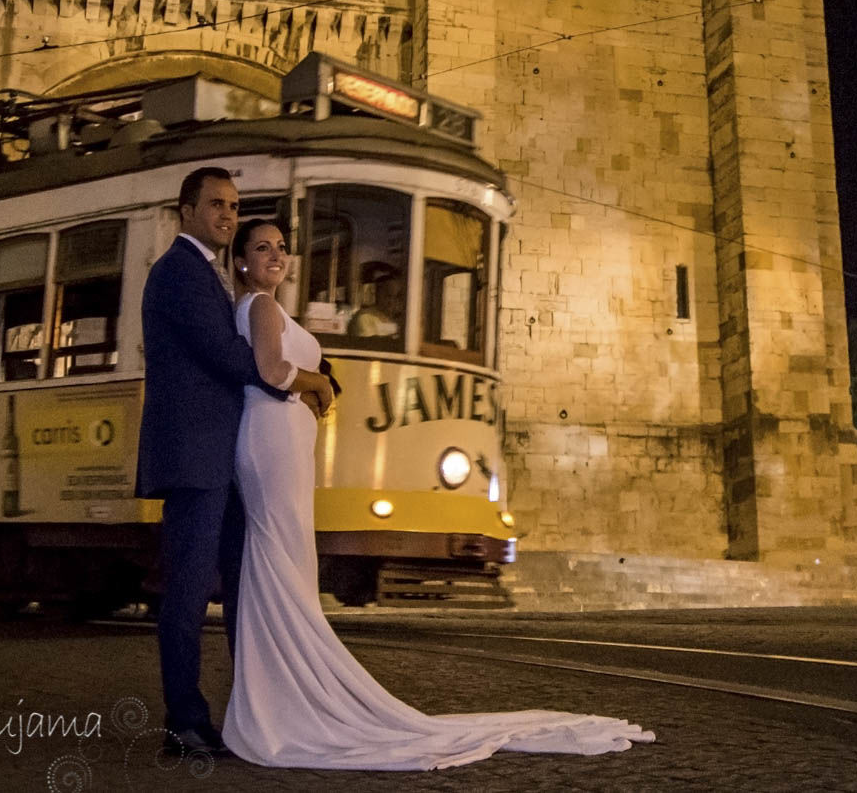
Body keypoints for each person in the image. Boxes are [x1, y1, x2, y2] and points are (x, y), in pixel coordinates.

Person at [222, 219, 655, 768]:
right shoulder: (260, 306)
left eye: (282, 247)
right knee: (280, 559)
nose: (276, 256)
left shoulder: (266, 307)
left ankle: (282, 695)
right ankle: (289, 698)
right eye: (261, 248)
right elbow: (272, 370)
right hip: (272, 442)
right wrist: (321, 384)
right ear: (240, 261)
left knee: (279, 561)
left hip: (276, 441)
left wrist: (309, 389)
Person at [134, 167, 336, 756]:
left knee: (247, 589)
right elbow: (228, 356)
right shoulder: (178, 272)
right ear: (186, 210)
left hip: (226, 459)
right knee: (190, 592)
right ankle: (185, 723)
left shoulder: (214, 276)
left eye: (233, 205)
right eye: (216, 204)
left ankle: (258, 710)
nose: (226, 214)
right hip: (196, 459)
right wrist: (305, 381)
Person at [347, 261, 402, 339]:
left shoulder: (394, 320)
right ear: (377, 294)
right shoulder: (364, 318)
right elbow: (368, 346)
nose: (392, 301)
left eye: (396, 296)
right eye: (388, 295)